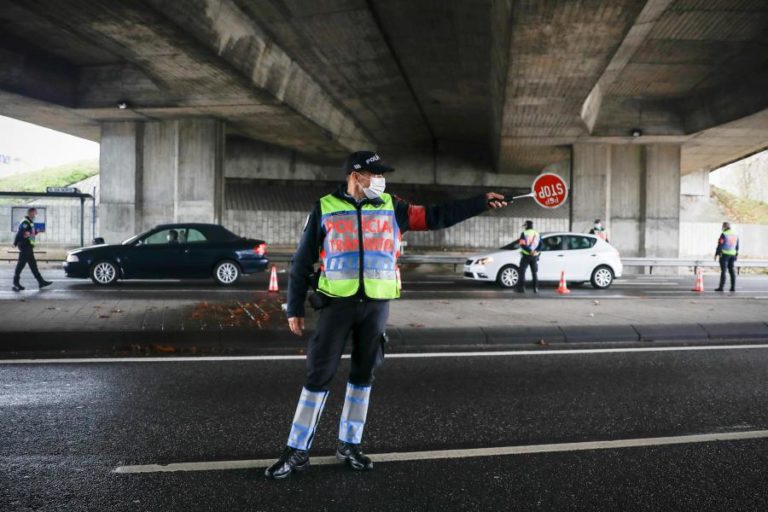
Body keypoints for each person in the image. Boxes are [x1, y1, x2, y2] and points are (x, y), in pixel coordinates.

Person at [265, 150, 509, 479]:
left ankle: (349, 445)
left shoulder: (394, 207)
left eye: (381, 175)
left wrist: (479, 202)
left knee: (363, 377)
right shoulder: (325, 207)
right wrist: (294, 307)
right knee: (317, 377)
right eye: (374, 174)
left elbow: (438, 216)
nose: (380, 180)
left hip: (376, 307)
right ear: (355, 176)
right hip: (336, 305)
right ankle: (296, 451)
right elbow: (301, 260)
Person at [12, 208, 52, 292]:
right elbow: (20, 233)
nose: (35, 215)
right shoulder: (25, 222)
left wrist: (36, 232)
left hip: (29, 246)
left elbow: (29, 232)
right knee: (21, 265)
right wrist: (15, 243)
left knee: (33, 265)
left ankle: (41, 282)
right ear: (30, 213)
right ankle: (15, 283)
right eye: (34, 213)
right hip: (25, 246)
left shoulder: (29, 221)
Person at [516, 220, 540, 293]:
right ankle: (535, 288)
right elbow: (541, 244)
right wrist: (535, 251)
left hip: (526, 255)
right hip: (535, 256)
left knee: (522, 271)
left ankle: (522, 288)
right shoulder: (537, 233)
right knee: (534, 273)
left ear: (527, 226)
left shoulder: (524, 233)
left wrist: (530, 251)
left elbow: (522, 244)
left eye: (525, 225)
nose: (524, 227)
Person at [715, 221, 739, 292]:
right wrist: (736, 254)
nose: (722, 227)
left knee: (724, 271)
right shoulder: (735, 234)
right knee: (732, 271)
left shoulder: (724, 234)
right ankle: (733, 287)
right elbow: (737, 246)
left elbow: (720, 244)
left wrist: (717, 253)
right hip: (733, 255)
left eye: (723, 226)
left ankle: (721, 287)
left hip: (725, 255)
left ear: (725, 227)